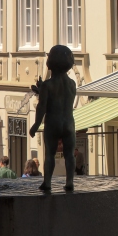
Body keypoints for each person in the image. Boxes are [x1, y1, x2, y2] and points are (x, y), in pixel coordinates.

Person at [29, 44, 76, 191]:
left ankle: (47, 183)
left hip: (53, 122)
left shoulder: (48, 85)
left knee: (50, 154)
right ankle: (69, 182)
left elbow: (42, 106)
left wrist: (36, 125)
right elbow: (63, 98)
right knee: (69, 154)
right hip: (68, 122)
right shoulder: (72, 84)